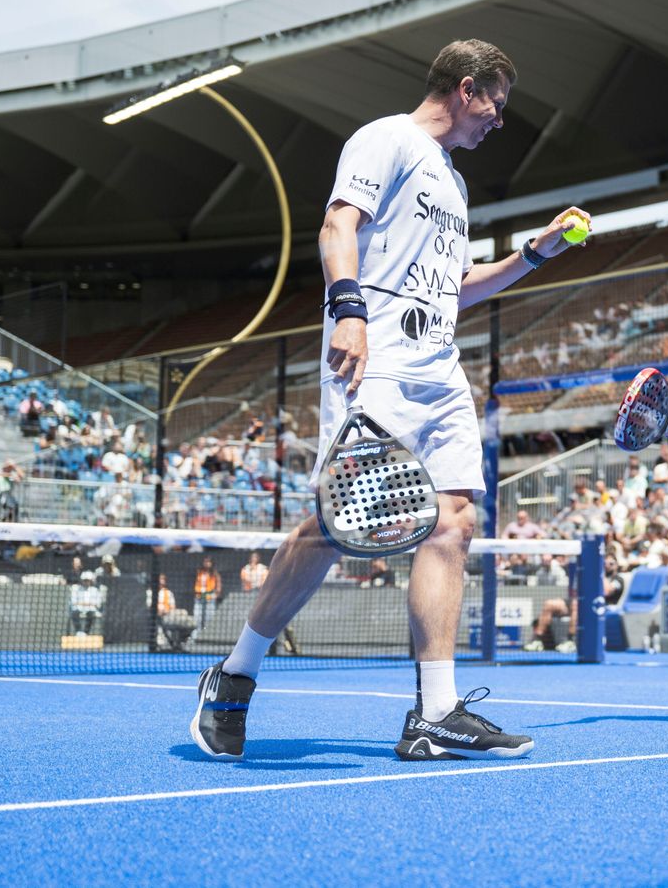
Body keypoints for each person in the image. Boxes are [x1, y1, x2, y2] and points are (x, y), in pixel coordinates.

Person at [192, 39, 589, 762]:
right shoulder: (386, 139)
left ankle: (436, 710)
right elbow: (336, 225)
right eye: (496, 104)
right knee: (335, 528)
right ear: (466, 88)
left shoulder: (455, 185)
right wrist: (348, 308)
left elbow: (455, 289)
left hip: (439, 366)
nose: (500, 120)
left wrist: (534, 255)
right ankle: (235, 673)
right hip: (373, 355)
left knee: (454, 520)